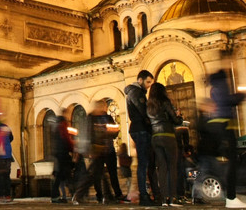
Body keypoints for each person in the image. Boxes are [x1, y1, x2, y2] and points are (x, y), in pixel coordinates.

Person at [209, 52, 246, 209]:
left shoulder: (220, 80)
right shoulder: (221, 81)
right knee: (232, 161)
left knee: (230, 161)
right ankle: (231, 197)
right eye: (232, 60)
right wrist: (242, 96)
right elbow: (225, 101)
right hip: (224, 124)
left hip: (222, 125)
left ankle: (230, 196)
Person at [73, 99, 127, 204]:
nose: (105, 109)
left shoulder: (108, 117)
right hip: (97, 150)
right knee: (95, 174)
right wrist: (88, 149)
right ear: (98, 107)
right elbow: (86, 134)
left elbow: (115, 132)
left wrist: (111, 132)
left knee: (110, 173)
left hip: (109, 149)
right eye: (103, 106)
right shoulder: (90, 118)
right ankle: (82, 195)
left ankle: (113, 195)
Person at [148, 82, 183, 207]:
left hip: (155, 137)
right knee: (172, 167)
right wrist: (180, 116)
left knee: (161, 168)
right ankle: (172, 198)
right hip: (168, 135)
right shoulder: (165, 102)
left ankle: (164, 199)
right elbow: (176, 120)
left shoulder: (149, 106)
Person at [125, 70, 156, 205]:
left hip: (138, 129)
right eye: (148, 82)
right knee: (143, 164)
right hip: (141, 129)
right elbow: (144, 112)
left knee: (144, 163)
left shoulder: (136, 92)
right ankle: (143, 195)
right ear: (140, 80)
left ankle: (145, 193)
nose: (149, 85)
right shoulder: (136, 93)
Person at [49, 112, 74, 204]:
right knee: (65, 176)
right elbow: (66, 138)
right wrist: (72, 148)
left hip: (59, 154)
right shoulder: (62, 125)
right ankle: (76, 194)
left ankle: (72, 194)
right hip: (63, 154)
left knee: (61, 176)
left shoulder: (56, 126)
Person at [0, 120, 14, 203]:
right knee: (6, 176)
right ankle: (7, 195)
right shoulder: (6, 127)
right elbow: (11, 138)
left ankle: (0, 196)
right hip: (8, 155)